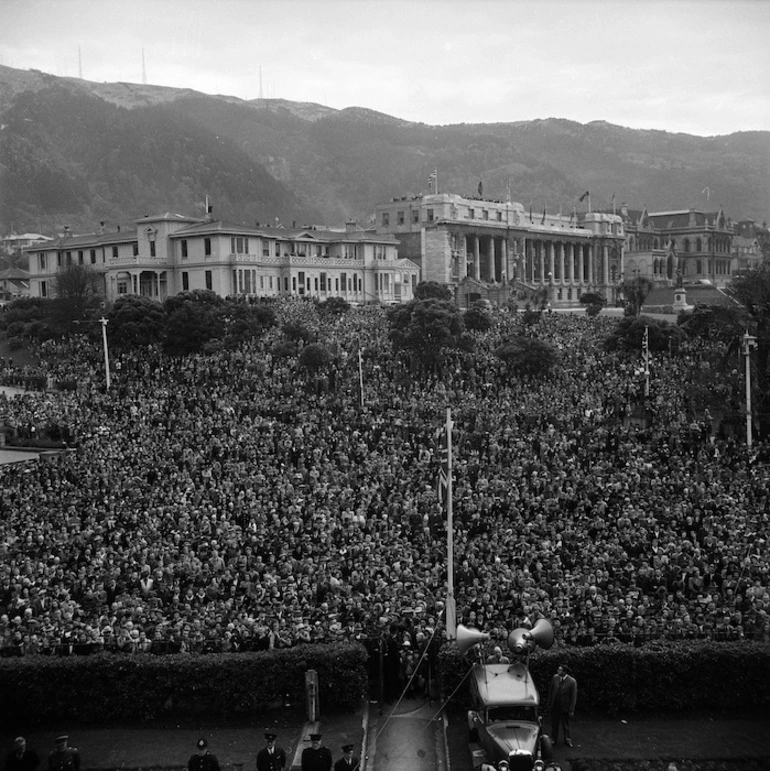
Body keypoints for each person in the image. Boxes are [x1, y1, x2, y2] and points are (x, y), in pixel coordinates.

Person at [547, 664, 577, 747]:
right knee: (554, 723)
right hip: (556, 705)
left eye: (560, 670)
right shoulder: (555, 678)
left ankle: (567, 739)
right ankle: (553, 739)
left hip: (565, 706)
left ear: (564, 672)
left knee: (566, 724)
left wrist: (571, 710)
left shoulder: (572, 681)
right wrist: (550, 703)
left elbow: (573, 697)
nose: (558, 671)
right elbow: (551, 691)